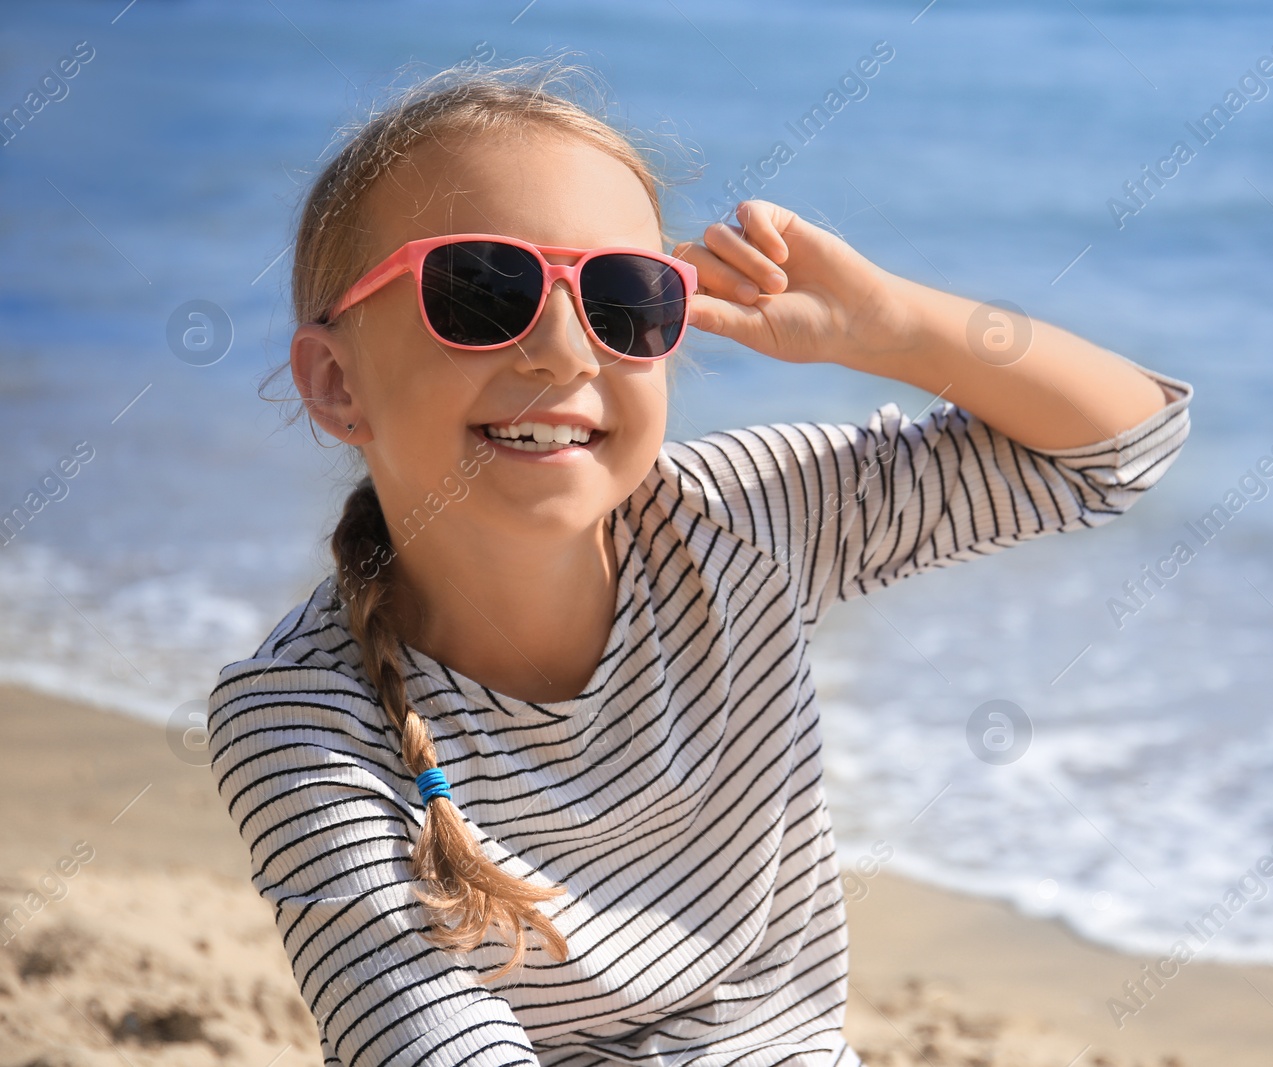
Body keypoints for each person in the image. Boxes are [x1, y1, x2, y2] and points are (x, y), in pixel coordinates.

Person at [207, 57, 1193, 1067]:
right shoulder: (301, 720)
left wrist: (888, 327)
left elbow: (1117, 451)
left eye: (622, 299)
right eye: (480, 290)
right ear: (335, 383)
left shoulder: (739, 517)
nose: (564, 350)